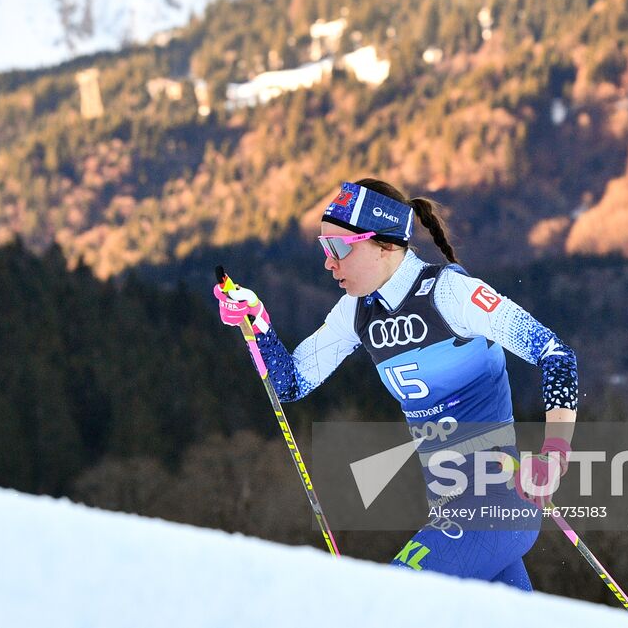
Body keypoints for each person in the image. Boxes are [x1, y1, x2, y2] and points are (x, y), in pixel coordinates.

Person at [213, 178, 579, 590]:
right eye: (323, 247)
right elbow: (290, 383)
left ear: (386, 244)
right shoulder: (355, 312)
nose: (328, 262)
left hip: (497, 507)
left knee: (391, 599)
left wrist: (554, 454)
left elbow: (556, 354)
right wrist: (258, 322)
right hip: (450, 511)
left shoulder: (452, 294)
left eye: (338, 248)